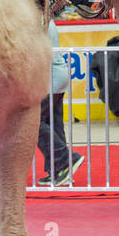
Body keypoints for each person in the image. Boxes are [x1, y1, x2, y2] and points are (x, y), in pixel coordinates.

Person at [37, 23, 85, 186]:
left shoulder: (36, 18)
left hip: (49, 76)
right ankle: (58, 170)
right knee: (53, 123)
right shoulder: (48, 19)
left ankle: (65, 159)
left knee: (34, 123)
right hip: (58, 74)